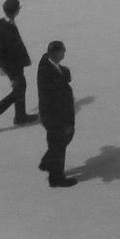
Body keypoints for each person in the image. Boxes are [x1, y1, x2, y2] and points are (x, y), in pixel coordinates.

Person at [0, 0, 33, 131]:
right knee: (19, 90)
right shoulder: (3, 27)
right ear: (15, 11)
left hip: (16, 63)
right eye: (18, 9)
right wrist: (3, 66)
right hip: (11, 65)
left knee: (20, 88)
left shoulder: (4, 23)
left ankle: (20, 115)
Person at [37, 42, 76, 187]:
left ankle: (47, 162)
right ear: (55, 53)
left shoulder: (50, 64)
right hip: (55, 115)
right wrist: (63, 121)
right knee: (59, 144)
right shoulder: (47, 70)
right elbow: (54, 95)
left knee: (60, 142)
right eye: (62, 52)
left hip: (55, 114)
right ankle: (56, 178)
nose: (64, 54)